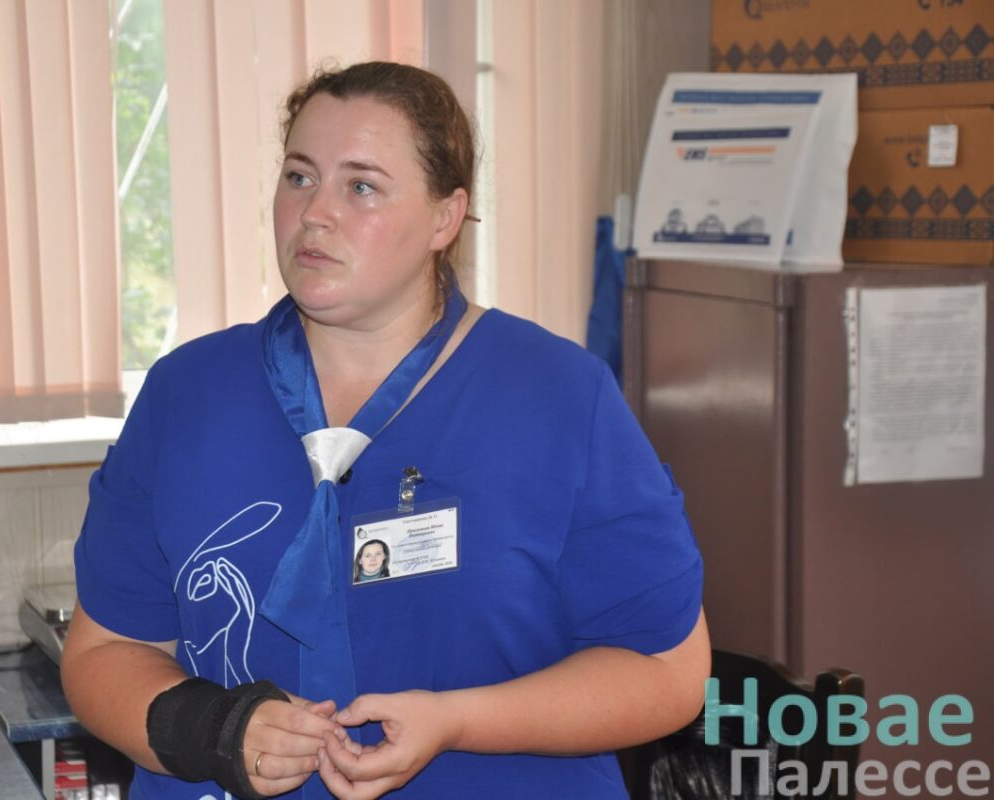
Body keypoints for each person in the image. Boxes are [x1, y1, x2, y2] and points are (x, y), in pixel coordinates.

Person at [62, 61, 709, 800]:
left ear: (444, 218)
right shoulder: (187, 394)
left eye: (361, 186)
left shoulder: (559, 396)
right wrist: (215, 729)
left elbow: (668, 670)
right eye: (299, 176)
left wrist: (458, 721)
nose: (314, 213)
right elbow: (104, 651)